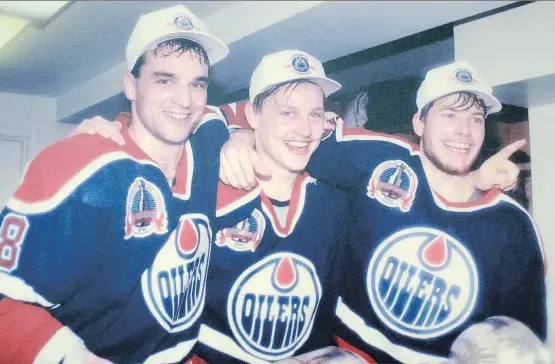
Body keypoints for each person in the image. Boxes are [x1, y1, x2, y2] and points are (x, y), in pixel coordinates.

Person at [218, 60, 546, 363]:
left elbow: (520, 338)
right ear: (419, 122)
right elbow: (285, 132)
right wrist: (239, 136)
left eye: (475, 119)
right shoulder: (377, 159)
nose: (464, 131)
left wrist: (475, 183)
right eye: (449, 115)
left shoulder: (512, 226)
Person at [69, 50, 361, 364]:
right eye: (288, 113)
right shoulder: (202, 187)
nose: (305, 129)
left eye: (315, 114)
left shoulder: (335, 202)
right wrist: (103, 136)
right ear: (252, 115)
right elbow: (158, 130)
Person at [0, 4, 229, 363]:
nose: (185, 100)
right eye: (165, 80)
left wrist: (243, 136)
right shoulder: (82, 163)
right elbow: (6, 301)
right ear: (131, 85)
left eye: (197, 84)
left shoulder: (209, 153)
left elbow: (264, 119)